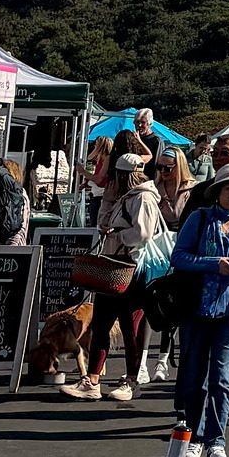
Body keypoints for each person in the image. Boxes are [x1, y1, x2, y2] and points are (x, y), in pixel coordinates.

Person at [171, 165, 229, 457]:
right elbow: (179, 256)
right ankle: (195, 437)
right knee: (195, 377)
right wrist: (213, 264)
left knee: (222, 379)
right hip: (197, 310)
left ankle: (216, 440)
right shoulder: (199, 218)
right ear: (218, 192)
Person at [61, 151, 166, 401]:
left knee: (130, 327)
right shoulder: (128, 196)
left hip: (132, 268)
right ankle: (93, 379)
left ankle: (131, 380)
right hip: (115, 267)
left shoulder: (143, 197)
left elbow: (143, 234)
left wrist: (117, 235)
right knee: (101, 324)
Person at [153, 139, 194, 226]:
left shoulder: (193, 189)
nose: (163, 171)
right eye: (159, 167)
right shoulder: (154, 188)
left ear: (179, 167)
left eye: (167, 168)